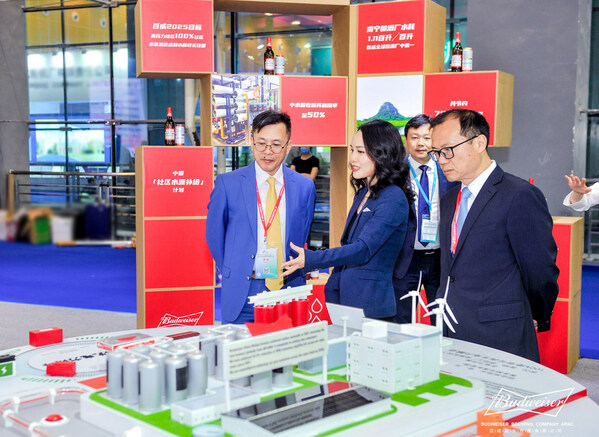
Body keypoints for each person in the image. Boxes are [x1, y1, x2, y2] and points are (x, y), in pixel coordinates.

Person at [430, 109, 559, 362]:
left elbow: (539, 269)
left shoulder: (519, 195)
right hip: (450, 327)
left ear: (479, 143)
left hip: (500, 331)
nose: (441, 160)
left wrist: (533, 313)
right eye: (436, 153)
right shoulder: (448, 199)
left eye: (448, 150)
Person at [281, 119, 413, 320]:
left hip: (371, 307)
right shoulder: (362, 193)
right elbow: (347, 246)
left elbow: (362, 250)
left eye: (360, 152)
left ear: (382, 153)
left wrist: (312, 258)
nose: (352, 158)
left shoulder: (393, 197)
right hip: (343, 303)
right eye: (352, 150)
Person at [206, 110, 316, 324]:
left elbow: (303, 233)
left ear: (288, 146)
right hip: (243, 291)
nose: (268, 151)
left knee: (287, 346)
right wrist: (234, 268)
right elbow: (214, 235)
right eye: (261, 143)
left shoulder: (304, 187)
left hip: (288, 290)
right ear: (251, 142)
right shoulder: (228, 184)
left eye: (276, 145)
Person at [393, 114, 459, 323]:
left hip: (440, 259)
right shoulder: (395, 173)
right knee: (403, 320)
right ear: (406, 140)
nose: (421, 143)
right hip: (406, 259)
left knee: (441, 319)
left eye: (426, 137)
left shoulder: (449, 171)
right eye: (415, 137)